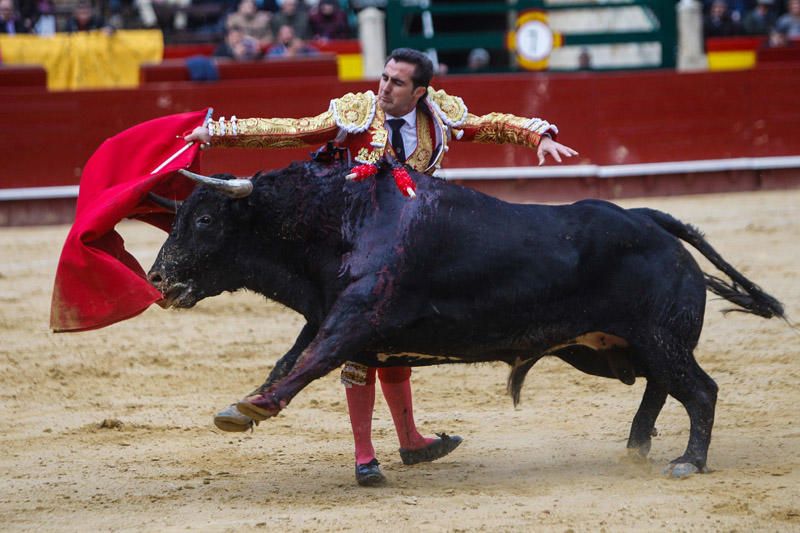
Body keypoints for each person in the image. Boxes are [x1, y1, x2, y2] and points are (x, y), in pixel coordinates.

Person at [186, 48, 577, 486]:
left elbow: (490, 124)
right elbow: (292, 131)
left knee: (397, 342)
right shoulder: (357, 112)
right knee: (358, 349)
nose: (384, 87)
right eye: (385, 77)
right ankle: (364, 455)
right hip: (354, 245)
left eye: (396, 82)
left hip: (411, 245)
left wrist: (538, 135)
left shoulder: (438, 114)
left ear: (420, 91)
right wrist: (218, 132)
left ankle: (410, 439)